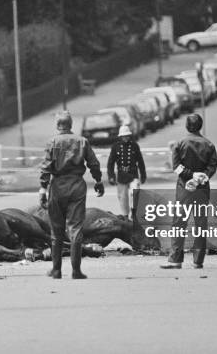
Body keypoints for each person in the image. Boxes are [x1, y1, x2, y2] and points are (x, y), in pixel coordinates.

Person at [39, 111, 104, 279]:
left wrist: (42, 190)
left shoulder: (52, 142)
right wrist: (98, 181)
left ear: (57, 125)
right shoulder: (82, 141)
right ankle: (76, 270)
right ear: (71, 124)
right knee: (75, 228)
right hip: (77, 186)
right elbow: (93, 164)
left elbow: (45, 168)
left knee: (57, 230)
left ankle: (56, 270)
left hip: (57, 187)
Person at [161, 114, 217, 269]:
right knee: (201, 223)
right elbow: (212, 167)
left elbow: (177, 167)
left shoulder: (179, 144)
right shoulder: (209, 145)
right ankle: (198, 260)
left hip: (183, 188)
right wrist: (199, 178)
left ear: (187, 126)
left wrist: (190, 176)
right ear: (200, 126)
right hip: (202, 189)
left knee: (179, 223)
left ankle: (175, 260)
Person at [107, 125, 146, 221]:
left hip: (133, 174)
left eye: (127, 136)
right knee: (122, 197)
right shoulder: (115, 147)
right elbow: (110, 163)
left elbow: (140, 161)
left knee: (135, 192)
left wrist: (143, 174)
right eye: (124, 136)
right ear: (120, 136)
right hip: (121, 175)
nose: (126, 138)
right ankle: (125, 215)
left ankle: (134, 212)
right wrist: (111, 176)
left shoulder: (134, 146)